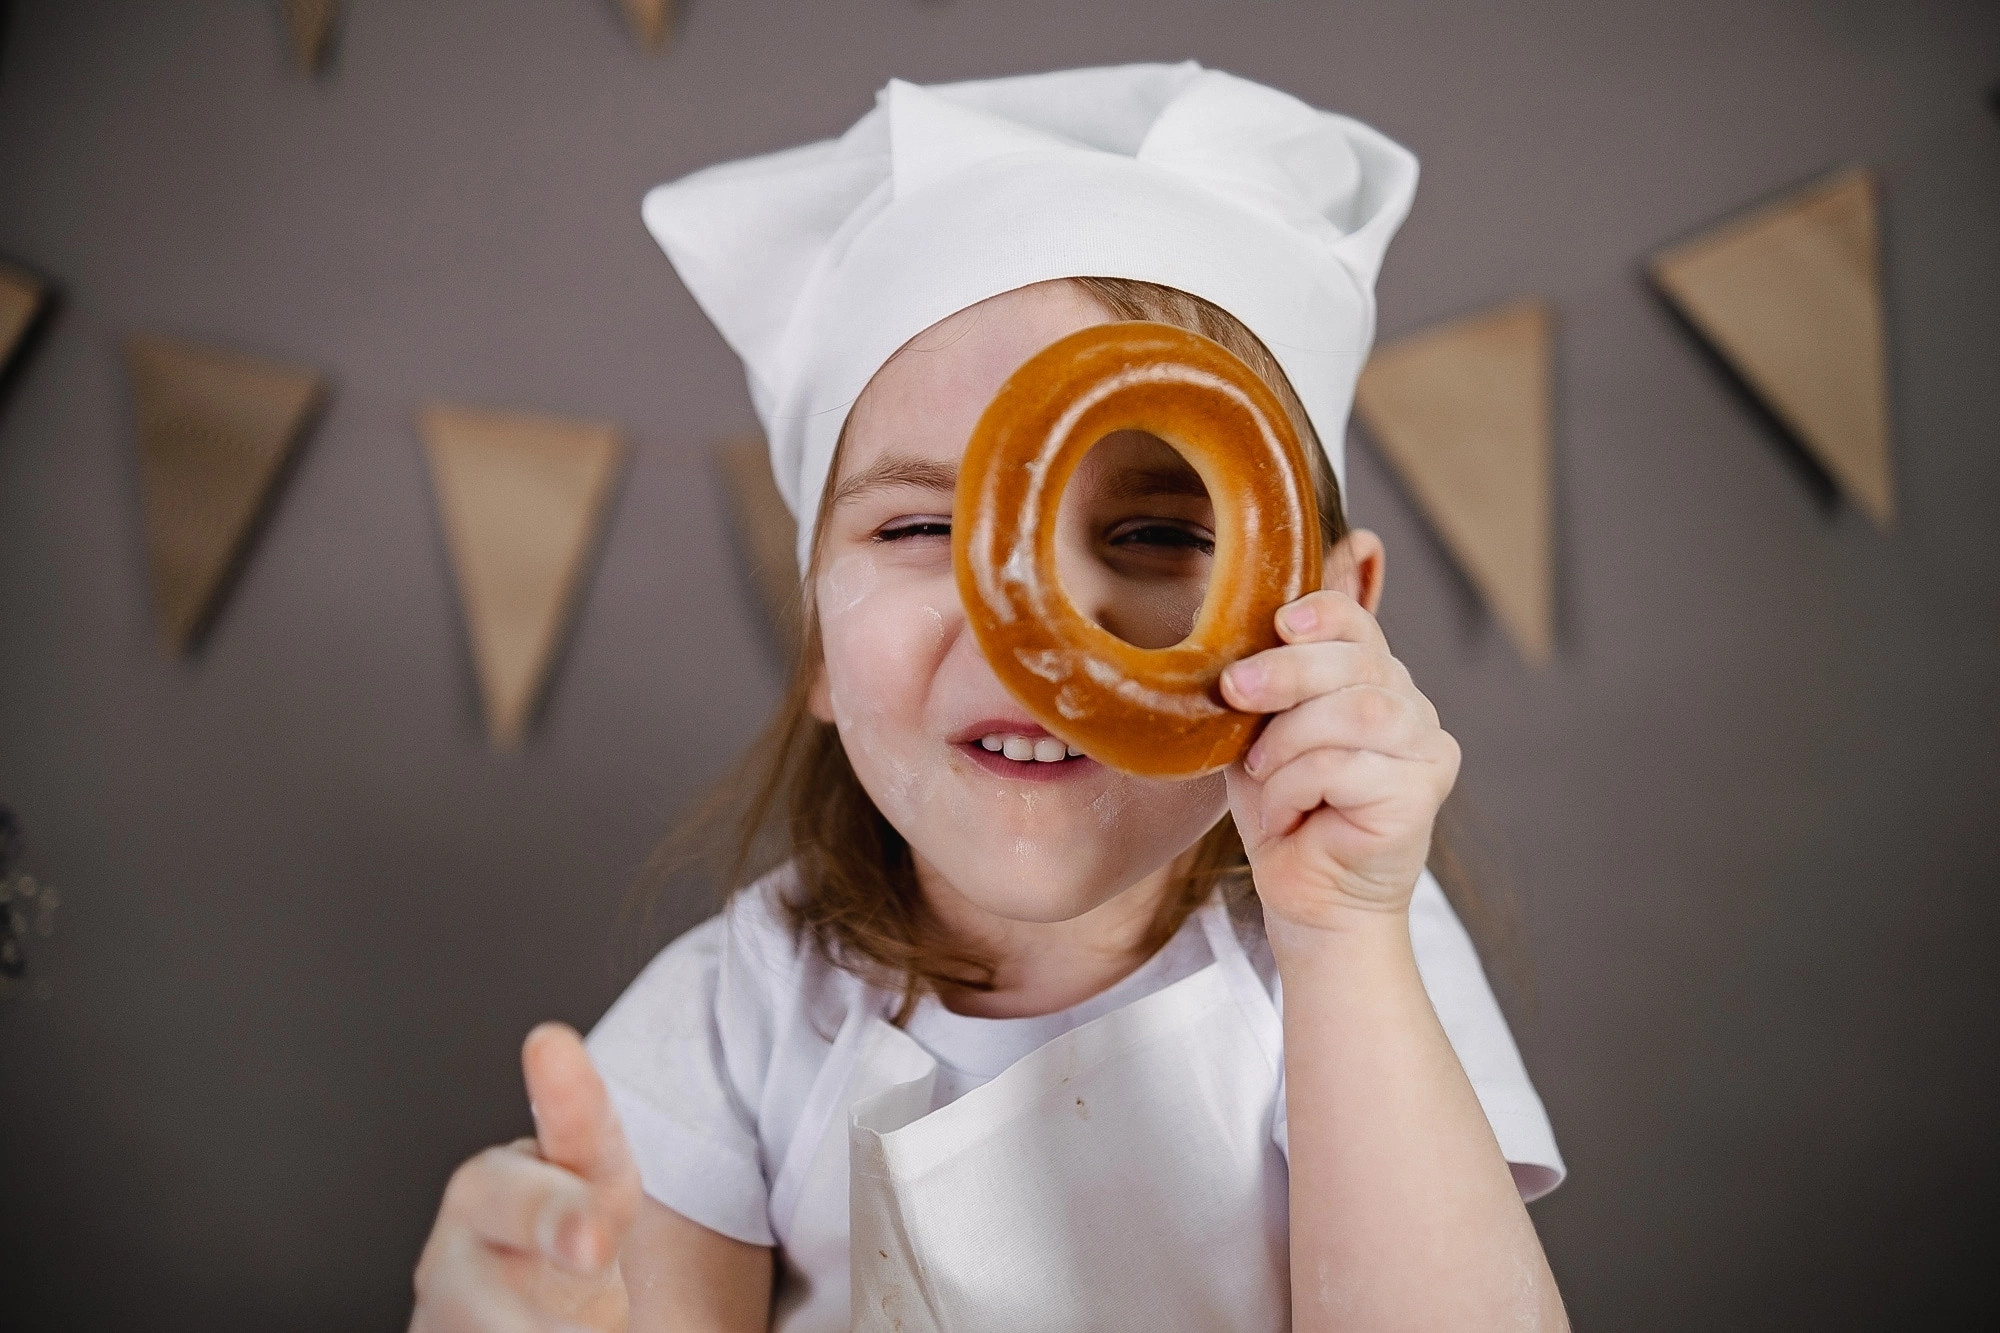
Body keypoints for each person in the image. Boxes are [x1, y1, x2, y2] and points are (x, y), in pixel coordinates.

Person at [410, 61, 1568, 1332]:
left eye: (1158, 534)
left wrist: (1343, 938)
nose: (1034, 634)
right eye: (918, 526)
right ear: (814, 638)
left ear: (1334, 615)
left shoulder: (1350, 957)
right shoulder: (734, 1024)